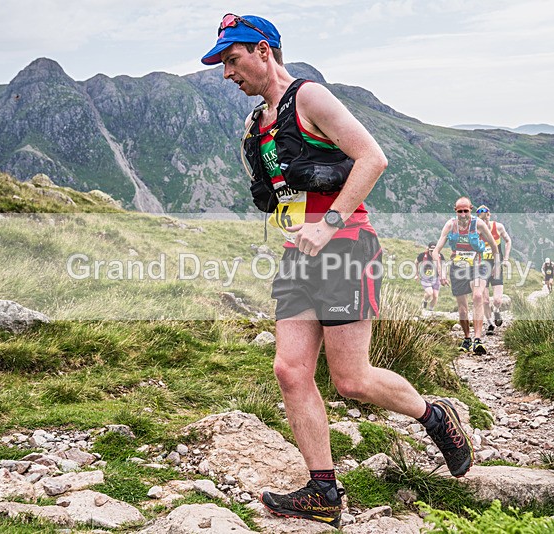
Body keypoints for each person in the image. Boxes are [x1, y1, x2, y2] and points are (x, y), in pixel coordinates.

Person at [201, 13, 473, 528]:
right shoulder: (258, 123)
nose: (226, 73)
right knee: (290, 370)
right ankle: (323, 490)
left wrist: (326, 224)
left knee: (351, 380)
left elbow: (373, 158)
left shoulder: (309, 98)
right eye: (221, 64)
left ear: (263, 51)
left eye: (232, 60)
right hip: (298, 254)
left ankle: (435, 416)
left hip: (345, 246)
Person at [432, 198, 500, 355]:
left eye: (466, 211)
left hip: (479, 265)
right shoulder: (450, 225)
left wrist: (496, 265)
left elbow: (494, 246)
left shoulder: (479, 224)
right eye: (459, 211)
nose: (463, 214)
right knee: (462, 309)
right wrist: (441, 272)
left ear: (471, 209)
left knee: (477, 296)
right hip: (458, 268)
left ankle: (477, 339)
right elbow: (436, 251)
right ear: (455, 210)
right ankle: (467, 337)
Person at [475, 205, 512, 336]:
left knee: (497, 300)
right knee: (484, 300)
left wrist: (506, 259)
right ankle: (490, 324)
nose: (482, 224)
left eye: (484, 220)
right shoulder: (476, 232)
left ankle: (496, 310)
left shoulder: (499, 227)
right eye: (480, 221)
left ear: (489, 216)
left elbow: (508, 241)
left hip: (496, 266)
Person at [415, 242, 441, 313]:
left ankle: (430, 310)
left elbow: (443, 266)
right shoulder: (423, 255)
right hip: (425, 277)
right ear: (428, 249)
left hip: (436, 278)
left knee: (435, 296)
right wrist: (416, 274)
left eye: (434, 250)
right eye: (431, 250)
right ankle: (425, 301)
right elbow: (416, 262)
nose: (432, 252)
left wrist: (443, 277)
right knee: (430, 293)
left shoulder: (440, 256)